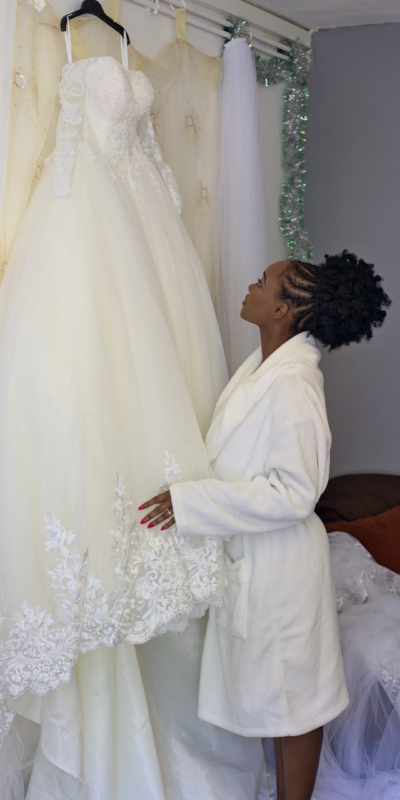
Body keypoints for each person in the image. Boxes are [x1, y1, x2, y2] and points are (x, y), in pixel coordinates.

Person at [139, 250, 392, 800]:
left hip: (281, 572)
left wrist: (194, 503)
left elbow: (296, 492)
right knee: (281, 703)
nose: (250, 286)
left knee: (296, 707)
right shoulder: (265, 369)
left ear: (281, 308)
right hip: (261, 564)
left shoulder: (296, 384)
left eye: (262, 281)